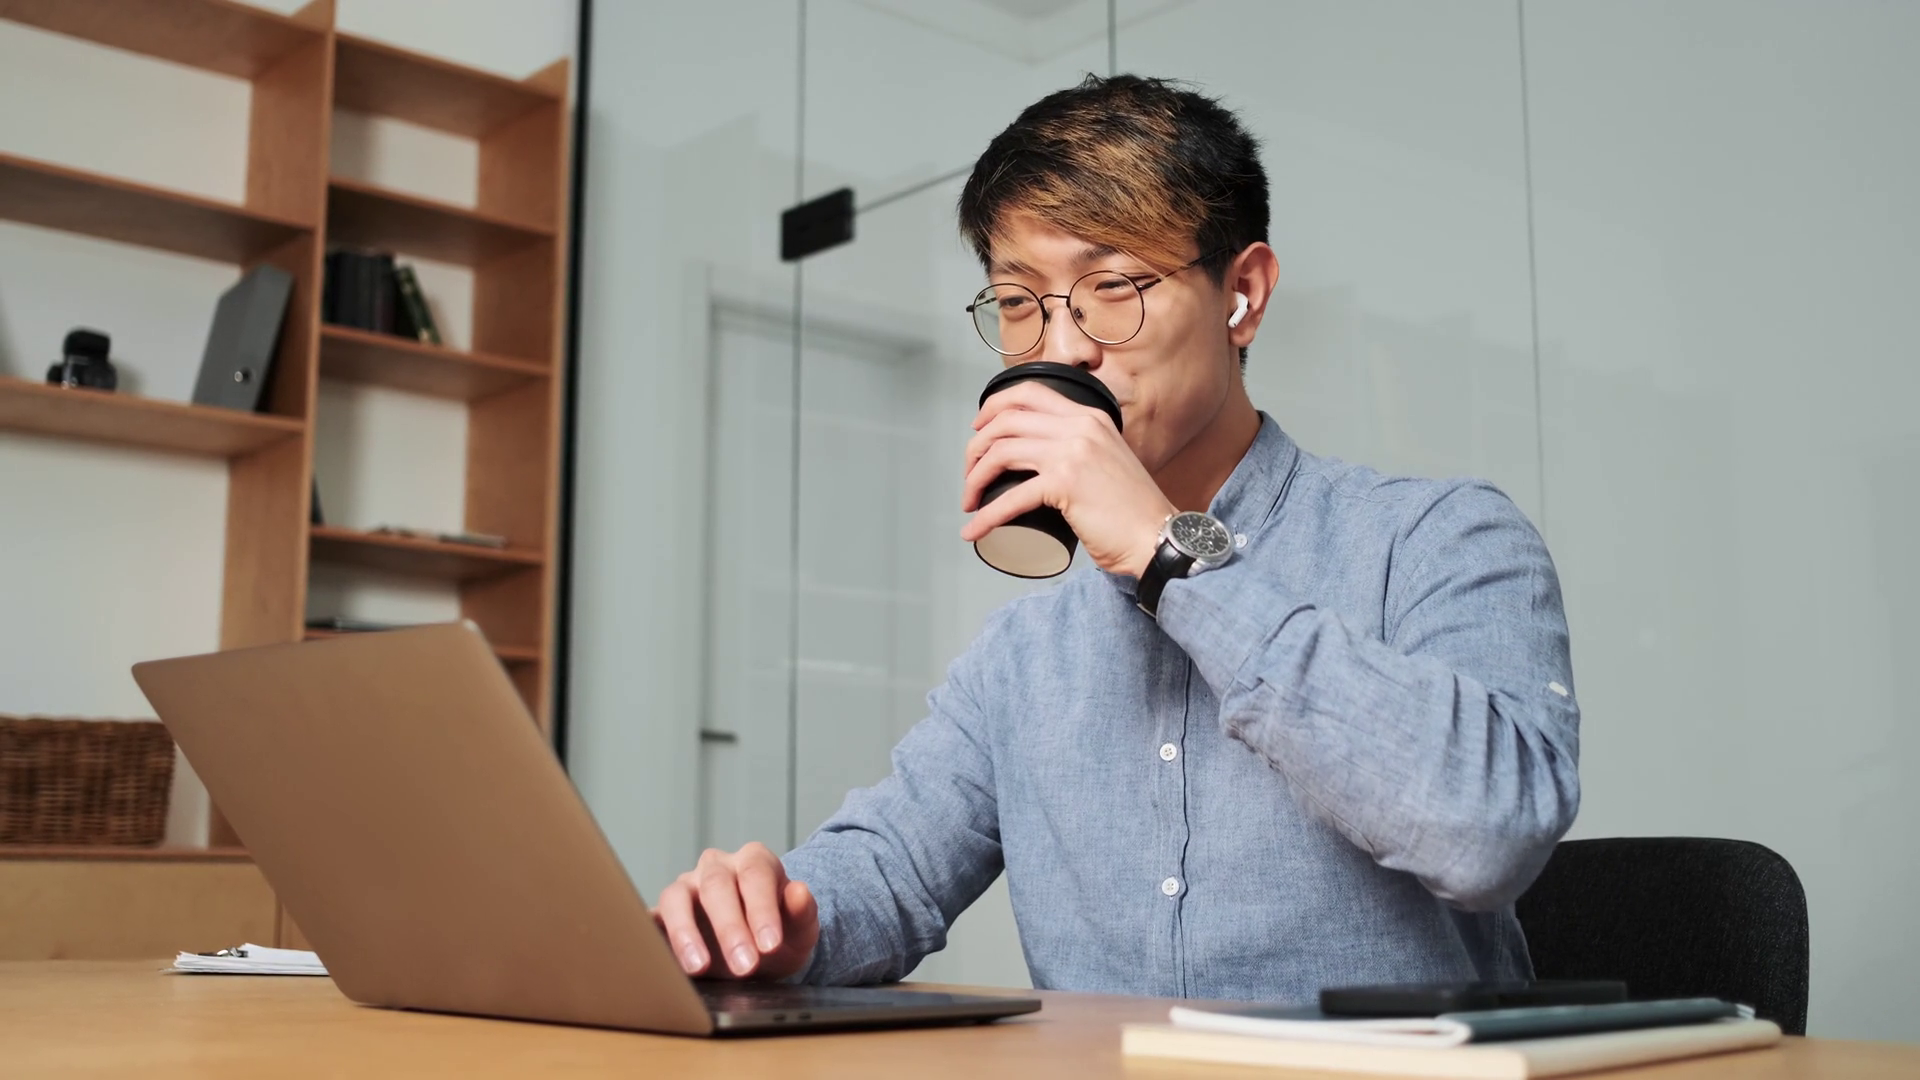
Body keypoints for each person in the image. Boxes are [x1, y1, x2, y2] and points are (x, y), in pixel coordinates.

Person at [652, 74, 1580, 1002]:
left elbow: (1489, 834)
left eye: (1112, 286)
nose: (1063, 348)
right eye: (1019, 301)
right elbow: (887, 871)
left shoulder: (1439, 539)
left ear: (1243, 294)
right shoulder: (1023, 656)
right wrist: (773, 922)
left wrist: (1168, 556)